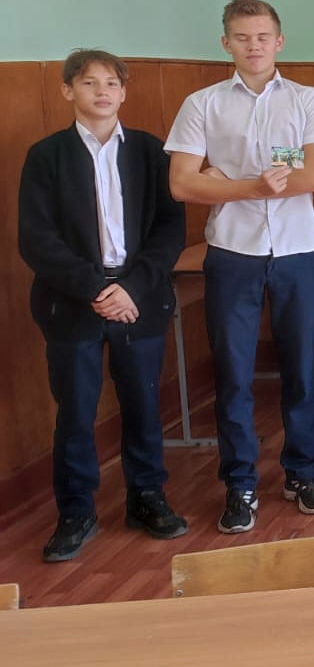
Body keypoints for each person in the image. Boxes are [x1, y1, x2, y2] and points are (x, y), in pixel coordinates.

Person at [166, 0, 314, 533]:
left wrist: (222, 182)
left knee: (300, 372)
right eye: (242, 37)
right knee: (234, 374)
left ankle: (301, 473)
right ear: (226, 44)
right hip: (232, 254)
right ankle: (240, 482)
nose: (253, 46)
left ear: (279, 41)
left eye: (263, 37)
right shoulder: (202, 104)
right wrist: (252, 187)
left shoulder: (308, 99)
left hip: (297, 252)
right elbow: (181, 184)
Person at [20, 50, 188, 561]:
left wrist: (131, 288)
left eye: (111, 83)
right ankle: (76, 510)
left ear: (124, 92)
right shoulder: (46, 156)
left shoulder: (149, 151)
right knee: (76, 410)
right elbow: (37, 239)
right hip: (74, 300)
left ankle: (146, 497)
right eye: (89, 83)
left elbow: (169, 229)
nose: (102, 92)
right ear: (68, 90)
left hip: (139, 297)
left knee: (143, 403)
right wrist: (96, 290)